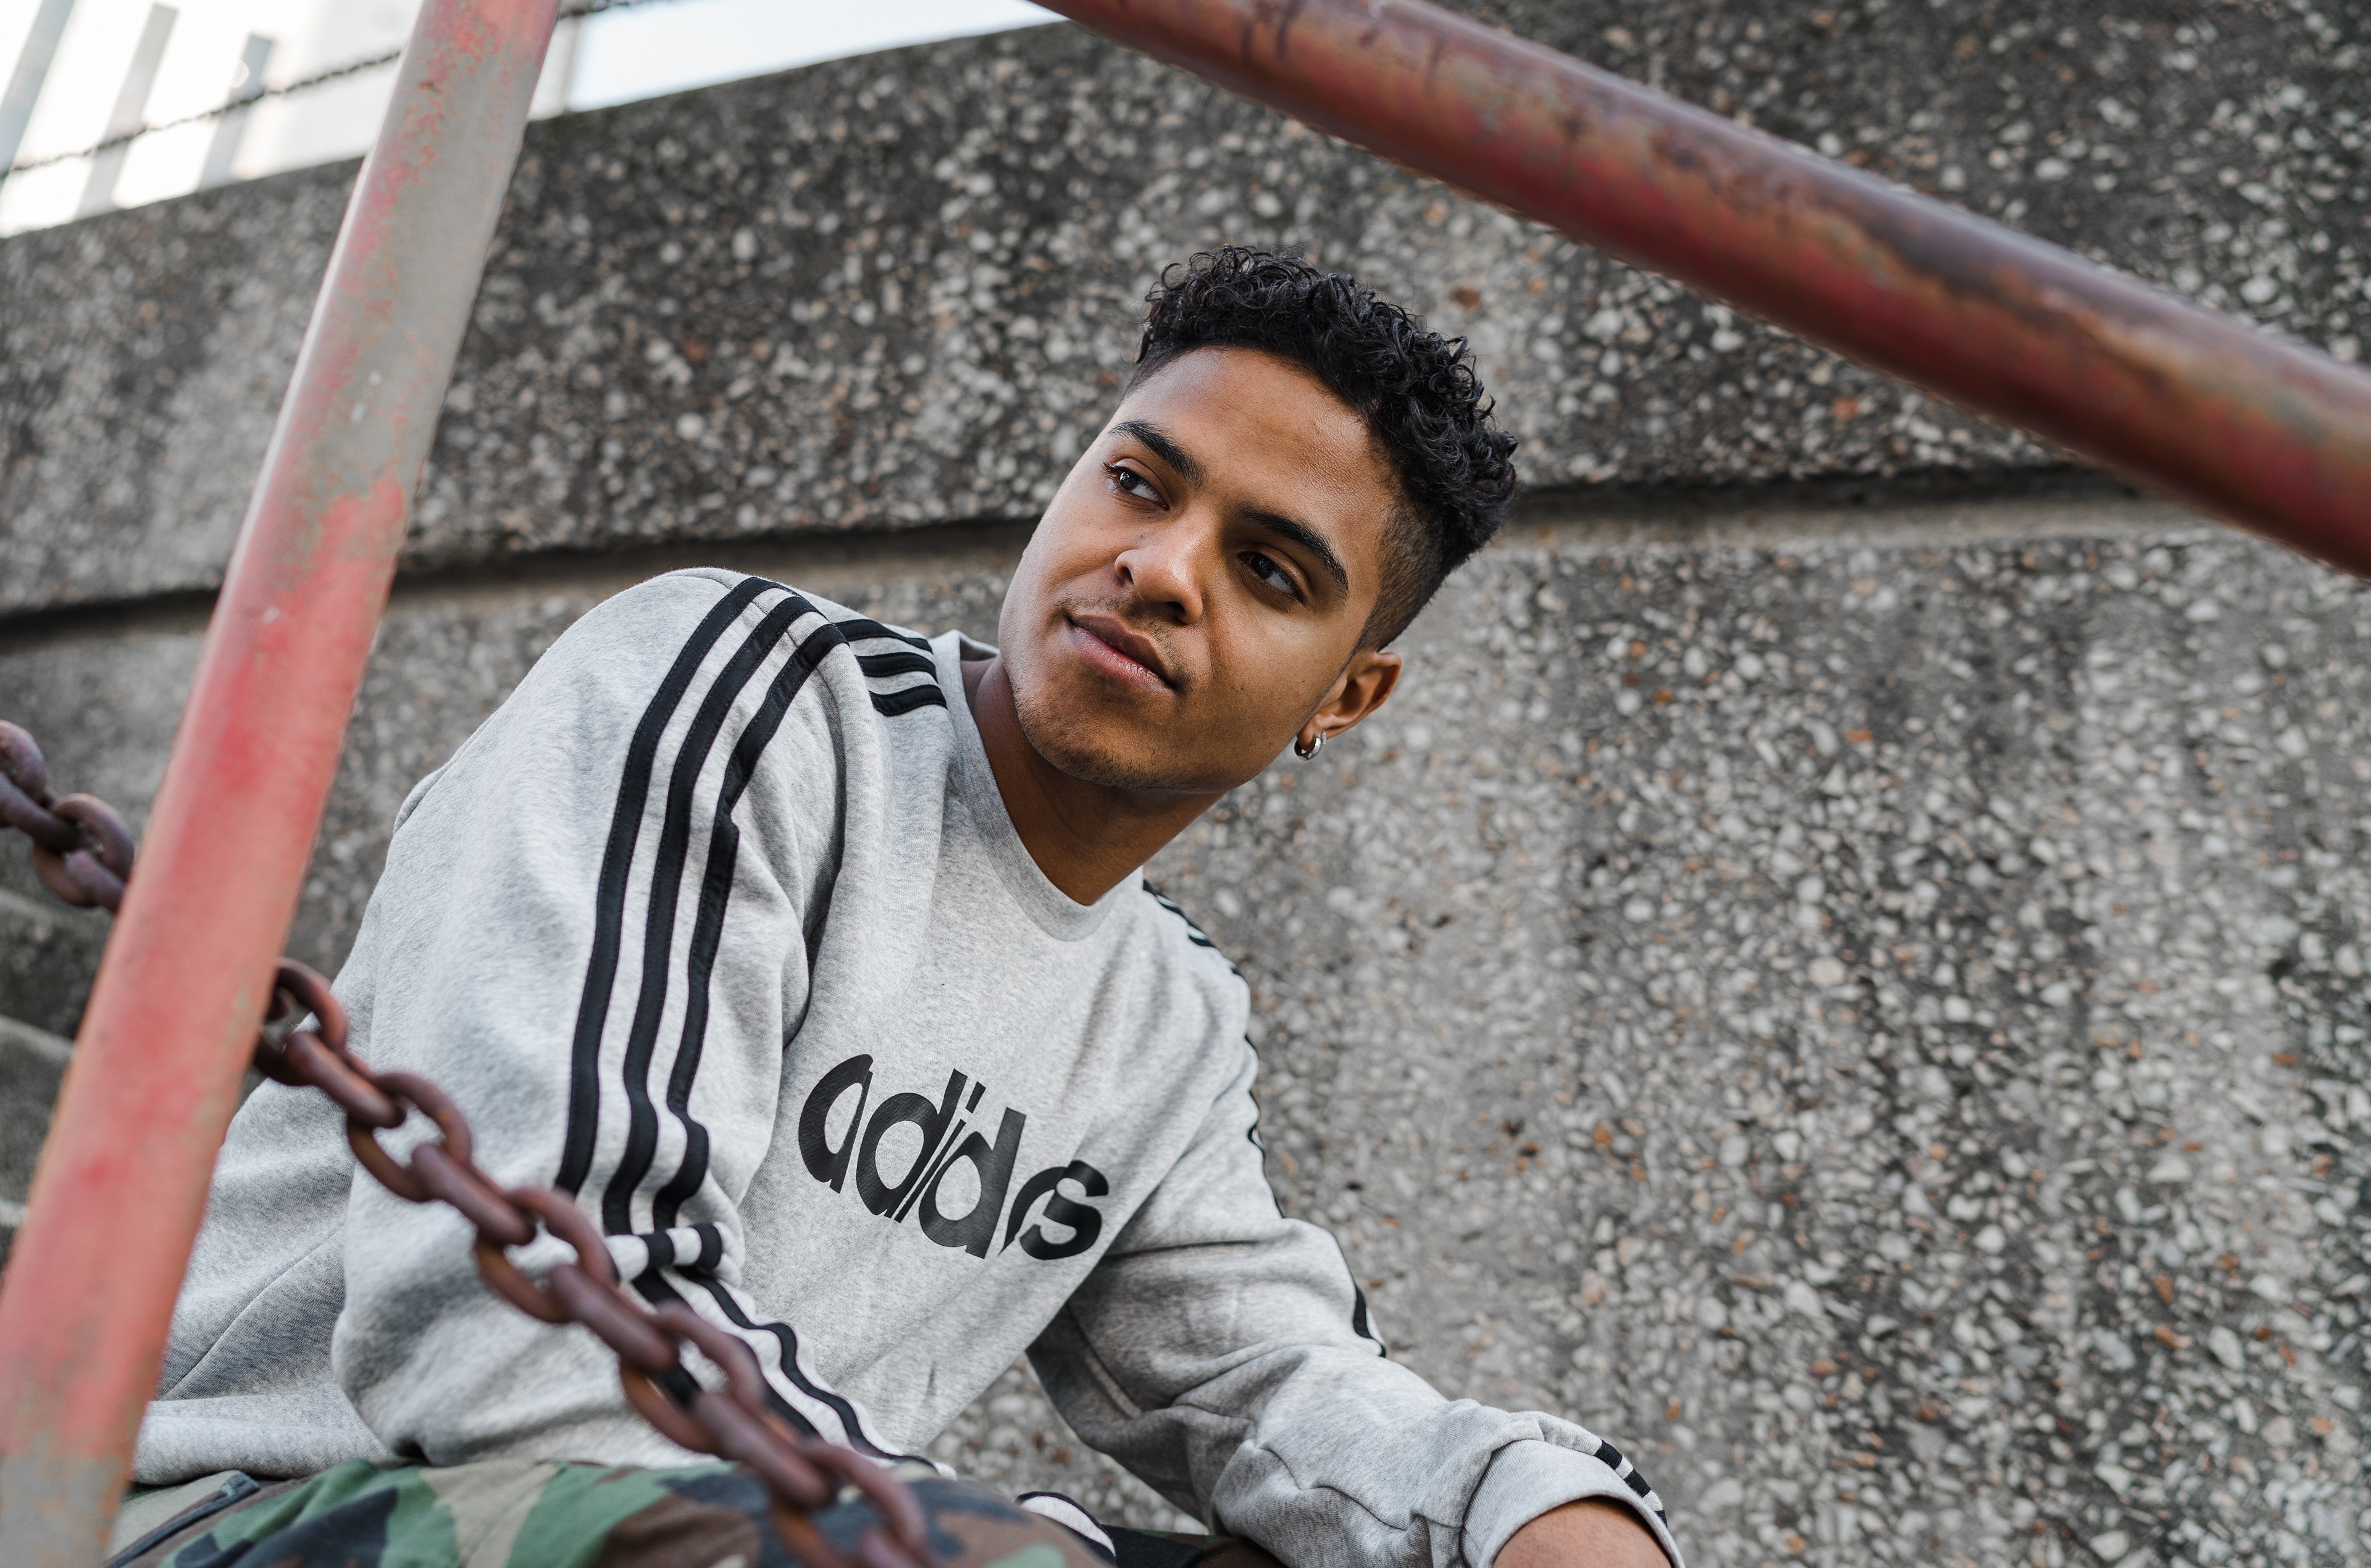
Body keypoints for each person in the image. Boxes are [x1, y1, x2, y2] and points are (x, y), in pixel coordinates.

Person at [122, 247, 1681, 1568]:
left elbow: (1267, 1380)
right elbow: (528, 1330)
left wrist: (1530, 1505)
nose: (1157, 567)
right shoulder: (736, 701)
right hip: (226, 1509)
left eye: (1269, 570)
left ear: (1345, 694)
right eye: (1138, 482)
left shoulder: (1168, 1021)